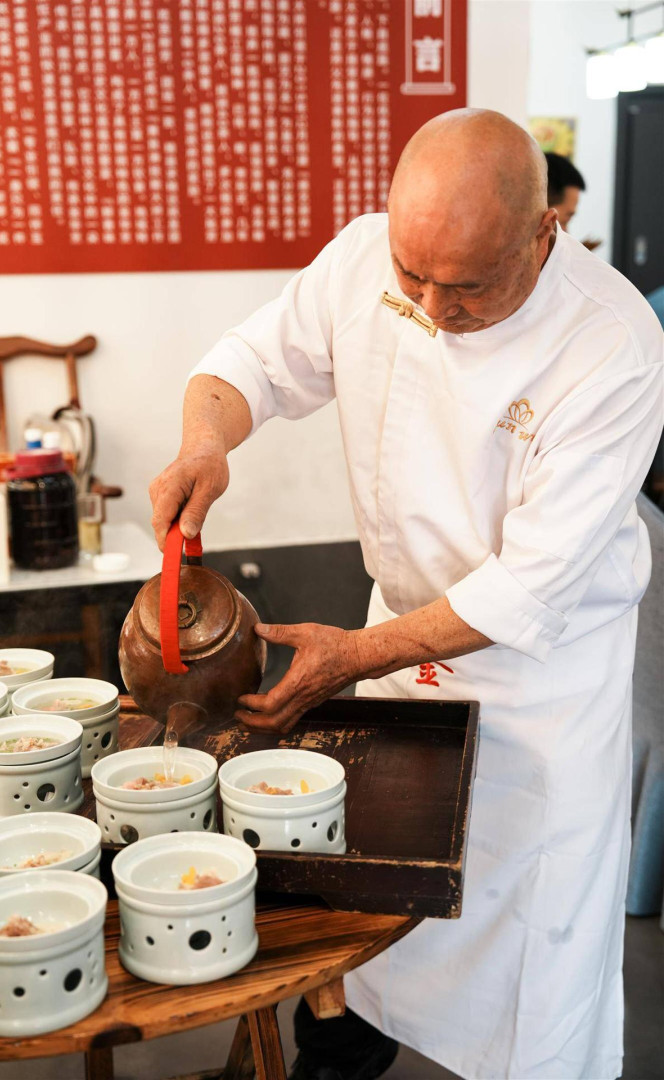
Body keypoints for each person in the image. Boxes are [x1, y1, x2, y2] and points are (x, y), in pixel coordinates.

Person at [149, 110, 664, 1080]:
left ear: (544, 234)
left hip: (537, 693)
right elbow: (246, 364)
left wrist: (348, 656)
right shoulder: (362, 260)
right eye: (411, 274)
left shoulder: (614, 345)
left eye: (465, 288)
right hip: (400, 652)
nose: (429, 306)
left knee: (527, 984)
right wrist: (205, 443)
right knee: (361, 931)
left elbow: (528, 584)